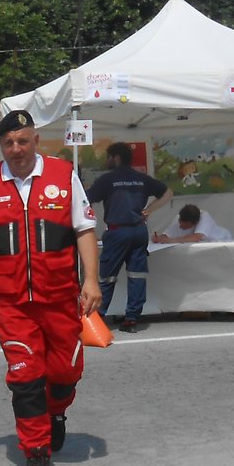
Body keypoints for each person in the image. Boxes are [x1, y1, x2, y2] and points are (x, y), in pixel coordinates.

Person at [0, 111, 102, 466]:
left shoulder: (62, 176)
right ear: (1, 146)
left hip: (60, 300)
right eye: (8, 142)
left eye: (23, 140)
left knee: (65, 372)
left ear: (36, 141)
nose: (16, 149)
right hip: (11, 306)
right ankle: (36, 455)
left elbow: (85, 230)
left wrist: (90, 279)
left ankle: (56, 410)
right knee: (25, 379)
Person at [84, 141, 169, 332]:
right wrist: (148, 211)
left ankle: (98, 318)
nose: (107, 161)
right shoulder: (142, 179)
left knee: (107, 277)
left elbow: (86, 198)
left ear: (116, 157)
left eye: (108, 157)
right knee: (137, 275)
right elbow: (168, 193)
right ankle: (131, 319)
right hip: (139, 231)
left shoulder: (107, 179)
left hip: (117, 232)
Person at [152, 203, 234, 245]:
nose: (180, 226)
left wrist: (172, 240)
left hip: (222, 241)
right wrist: (159, 238)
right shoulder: (178, 219)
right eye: (180, 222)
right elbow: (167, 234)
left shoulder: (204, 216)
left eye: (184, 226)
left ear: (194, 223)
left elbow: (196, 237)